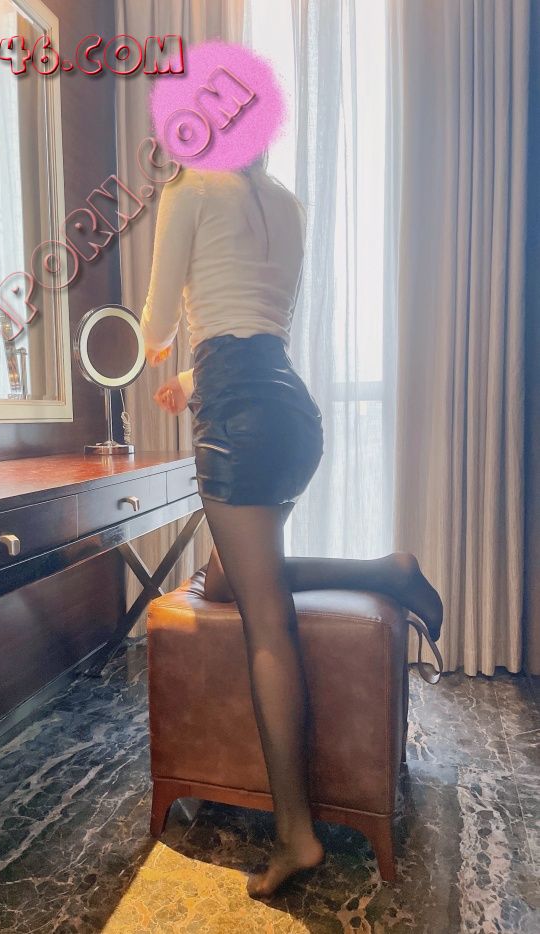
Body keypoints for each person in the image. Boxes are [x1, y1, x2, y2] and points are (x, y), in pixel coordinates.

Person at [141, 152, 443, 900]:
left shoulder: (188, 188)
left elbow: (156, 325)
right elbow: (258, 325)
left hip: (238, 421)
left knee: (266, 623)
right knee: (228, 582)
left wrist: (162, 348)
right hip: (290, 414)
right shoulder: (287, 201)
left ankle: (295, 836)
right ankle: (387, 573)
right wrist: (193, 376)